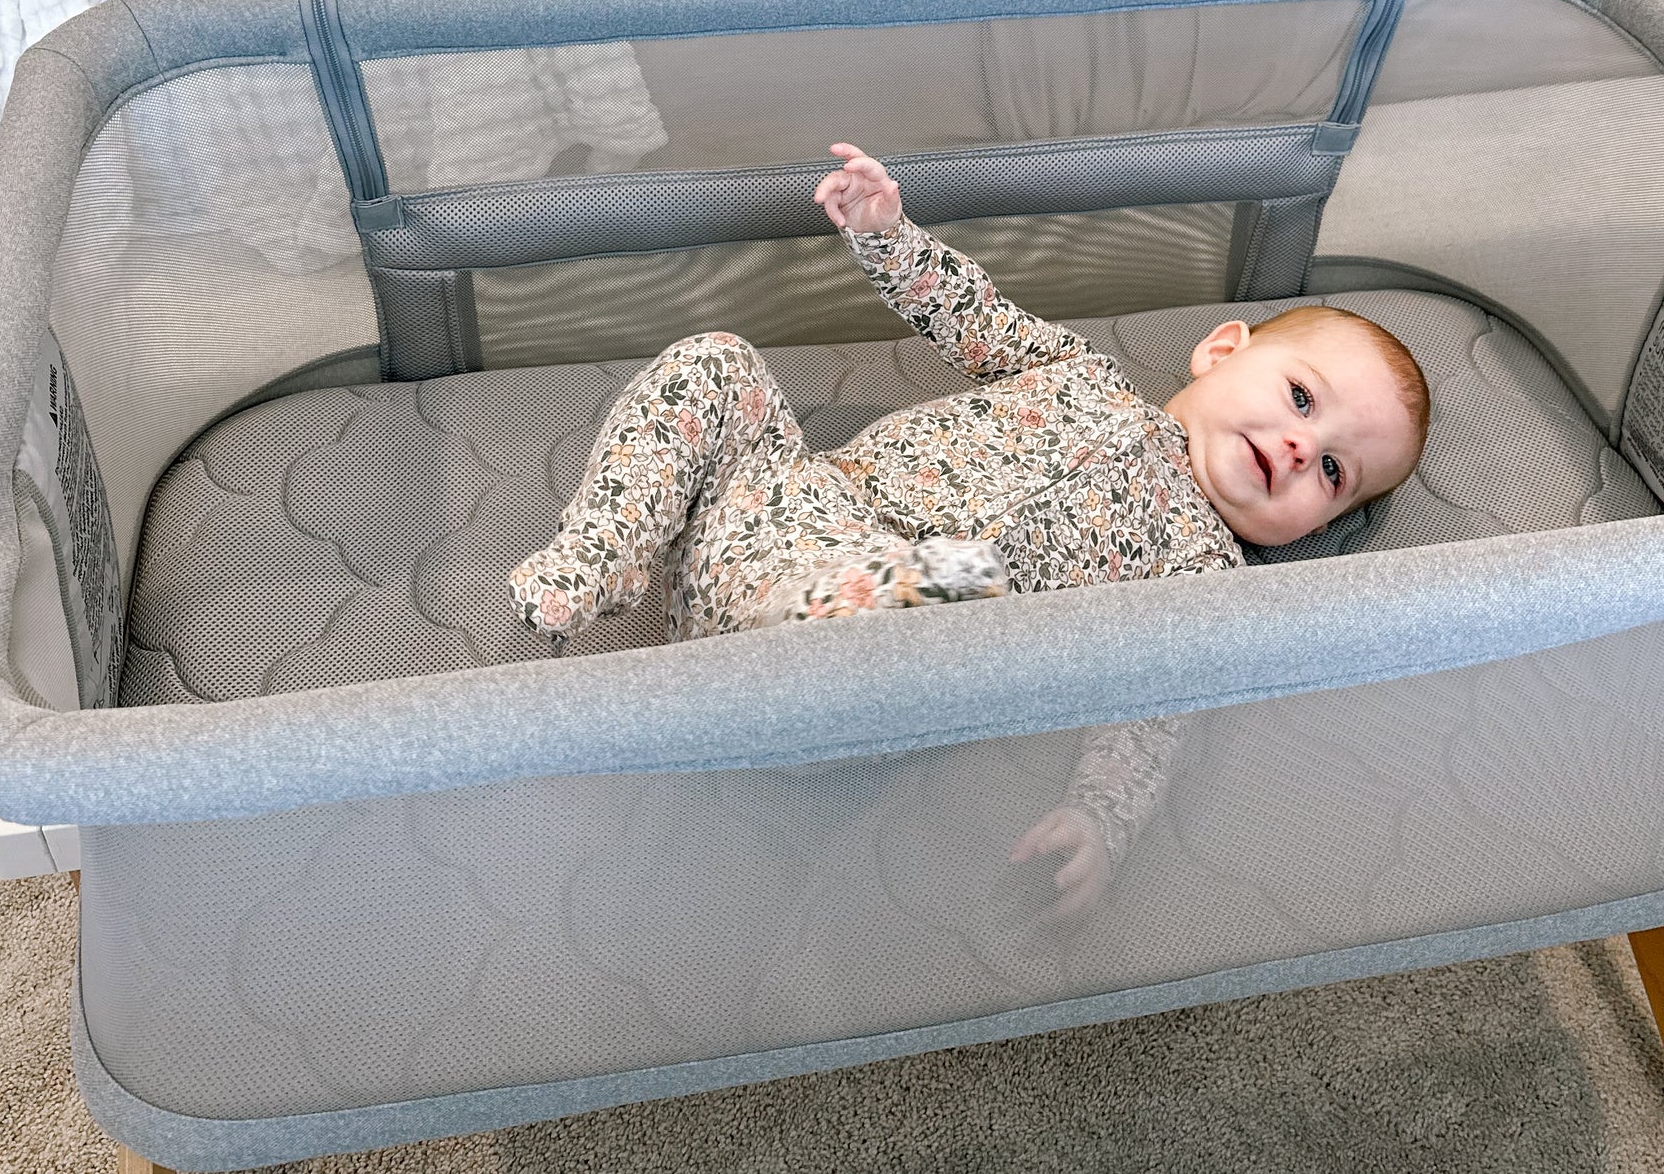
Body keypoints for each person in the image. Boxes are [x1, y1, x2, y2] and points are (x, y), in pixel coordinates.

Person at [513, 141, 1430, 919]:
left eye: (1337, 474)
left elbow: (1158, 709)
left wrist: (1101, 817)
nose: (1301, 447)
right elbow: (972, 316)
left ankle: (770, 646)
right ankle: (603, 552)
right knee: (716, 365)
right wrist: (886, 234)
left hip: (851, 653)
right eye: (1302, 398)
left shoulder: (1200, 569)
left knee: (965, 578)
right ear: (1223, 350)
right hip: (785, 511)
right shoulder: (1080, 369)